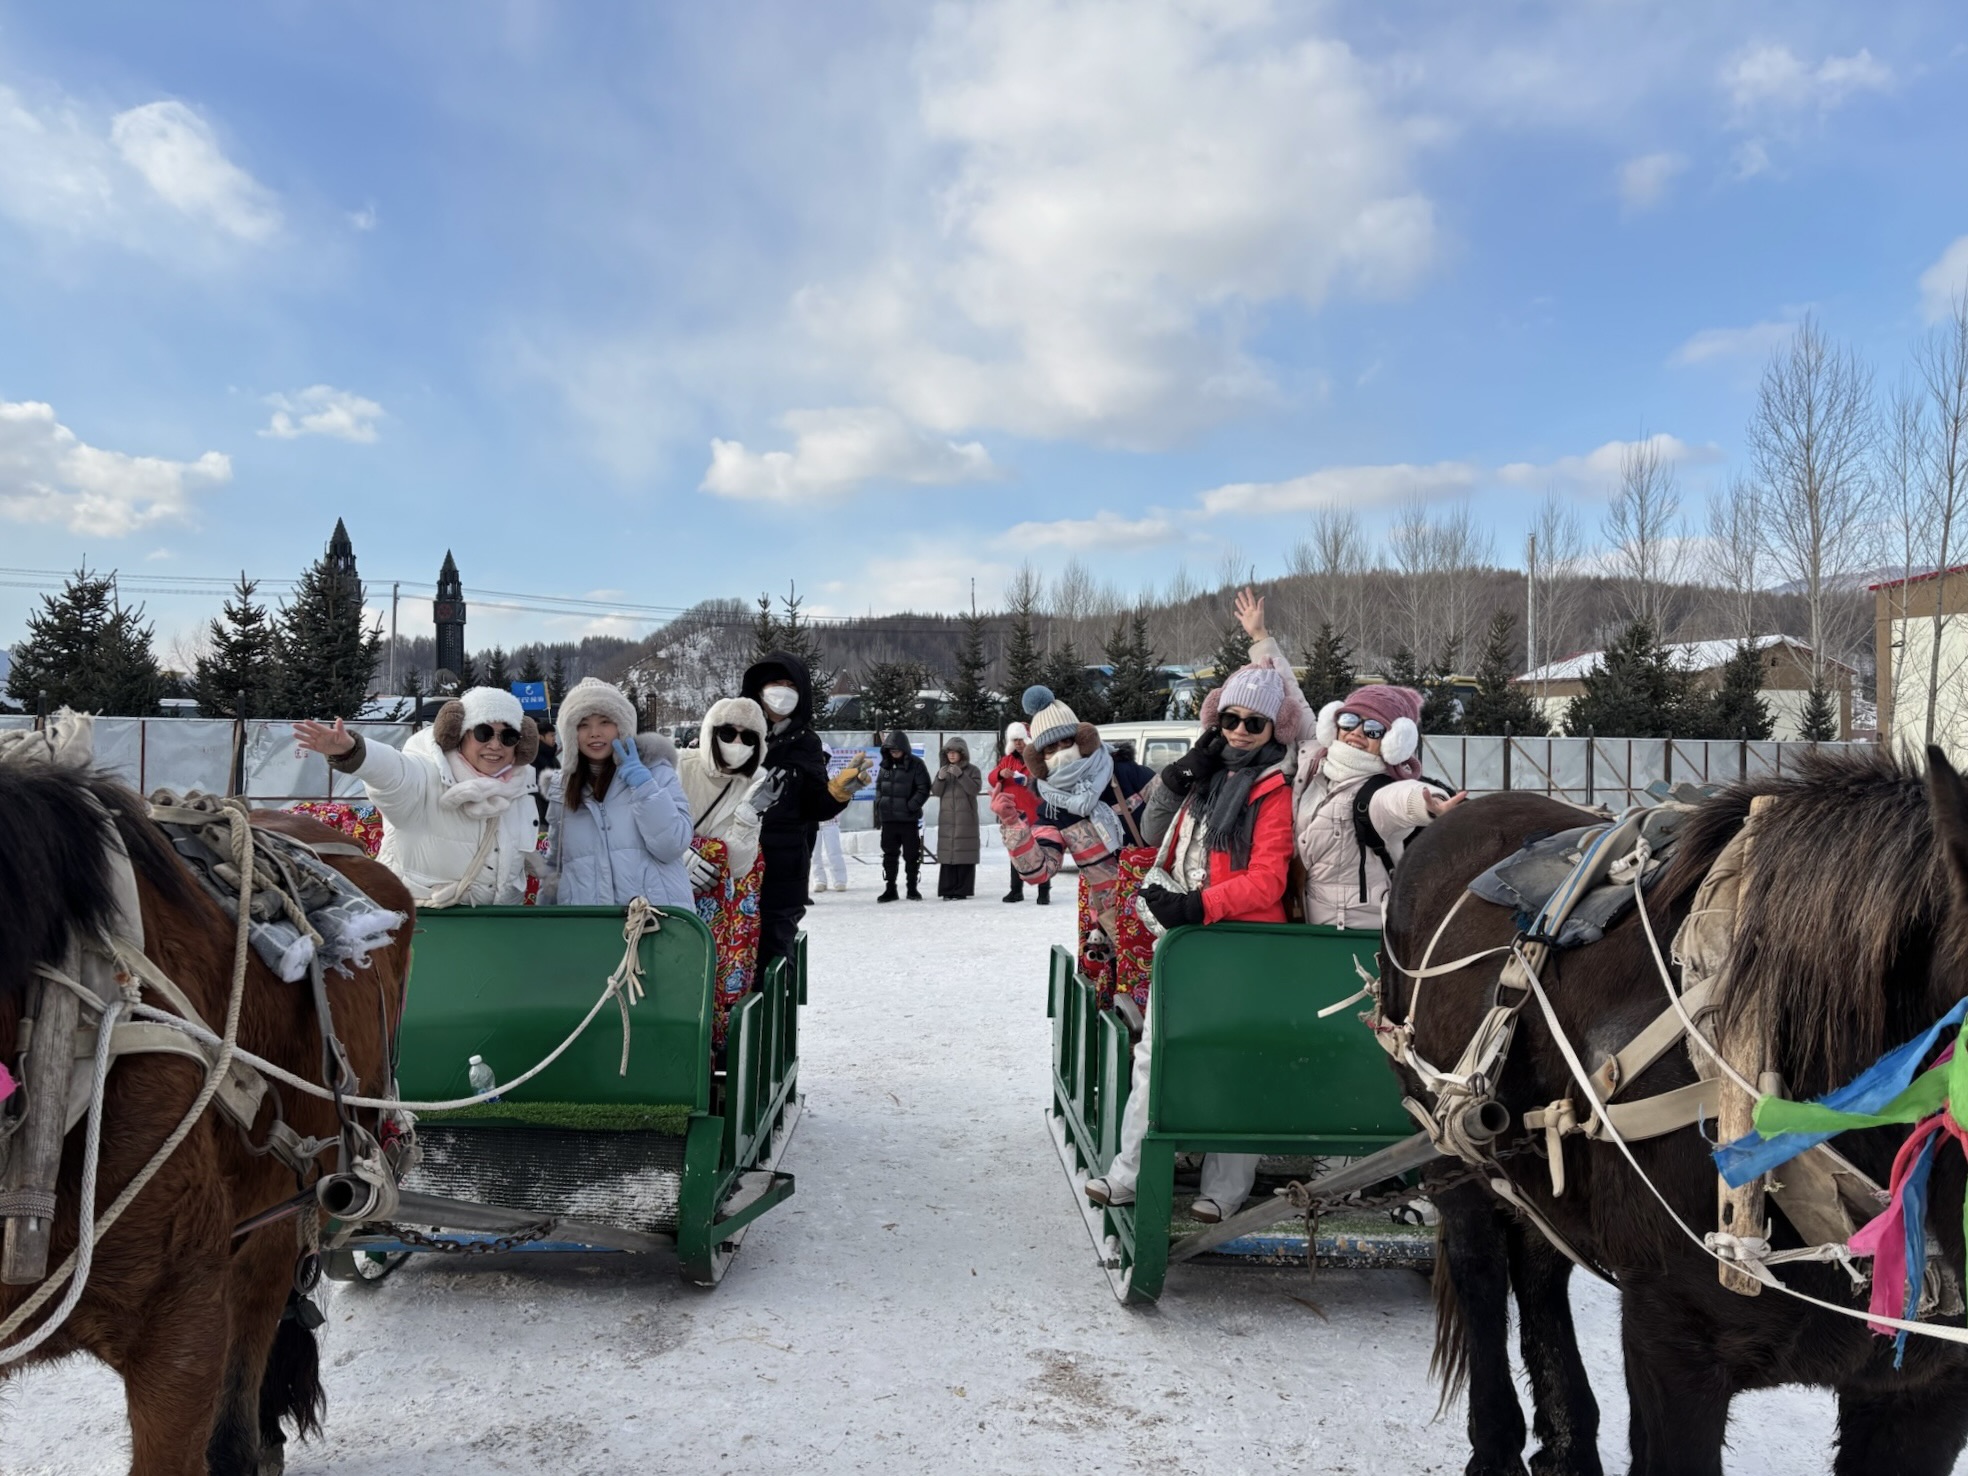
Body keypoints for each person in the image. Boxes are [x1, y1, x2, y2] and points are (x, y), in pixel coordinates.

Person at [1084, 659, 1300, 1223]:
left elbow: (1269, 879)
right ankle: (1128, 1174)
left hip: (1240, 946)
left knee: (1236, 1062)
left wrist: (1199, 905)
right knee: (1156, 1057)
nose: (1239, 732)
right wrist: (1183, 772)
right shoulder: (1205, 778)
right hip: (1188, 944)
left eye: (1255, 723)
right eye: (1230, 718)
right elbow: (1153, 833)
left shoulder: (1274, 788)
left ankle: (1225, 1191)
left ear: (1275, 729)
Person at [1233, 587, 1464, 929]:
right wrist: (1260, 636)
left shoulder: (1376, 789)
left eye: (1374, 729)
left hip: (1357, 938)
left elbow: (1398, 800)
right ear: (1335, 722)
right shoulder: (1315, 755)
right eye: (1351, 720)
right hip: (1310, 926)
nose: (1357, 732)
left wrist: (1430, 805)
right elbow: (1290, 694)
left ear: (1393, 743)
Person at [296, 686, 541, 907]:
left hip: (497, 927)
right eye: (483, 733)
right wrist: (355, 752)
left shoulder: (520, 791)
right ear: (458, 734)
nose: (495, 745)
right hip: (420, 923)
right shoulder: (425, 775)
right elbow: (394, 773)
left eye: (508, 737)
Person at [740, 651, 870, 971]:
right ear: (759, 688)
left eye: (790, 684)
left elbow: (815, 806)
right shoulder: (733, 733)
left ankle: (773, 1018)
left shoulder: (806, 742)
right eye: (775, 683)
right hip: (735, 859)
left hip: (784, 865)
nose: (782, 691)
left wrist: (840, 791)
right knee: (733, 948)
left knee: (775, 953)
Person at [542, 678, 695, 908]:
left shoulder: (655, 772)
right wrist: (543, 922)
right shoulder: (561, 789)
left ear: (622, 727)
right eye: (583, 724)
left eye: (605, 722)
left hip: (654, 924)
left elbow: (672, 845)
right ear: (570, 732)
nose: (594, 733)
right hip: (590, 930)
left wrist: (644, 787)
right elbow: (556, 865)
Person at [992, 685, 1125, 948]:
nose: (1062, 752)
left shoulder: (1126, 773)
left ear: (1083, 740)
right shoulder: (1052, 808)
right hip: (1110, 919)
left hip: (1160, 903)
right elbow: (1038, 870)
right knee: (1109, 985)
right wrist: (1011, 823)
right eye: (1051, 747)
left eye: (1068, 741)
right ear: (1040, 757)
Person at [675, 694, 775, 889]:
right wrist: (680, 857)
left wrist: (746, 820)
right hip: (670, 891)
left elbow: (738, 867)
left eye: (748, 737)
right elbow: (647, 828)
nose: (737, 743)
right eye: (728, 733)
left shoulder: (755, 784)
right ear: (710, 733)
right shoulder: (678, 766)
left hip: (717, 899)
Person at [987, 723, 1048, 905]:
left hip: (1036, 813)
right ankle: (1016, 890)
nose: (1019, 744)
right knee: (1016, 853)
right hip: (1015, 815)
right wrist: (1000, 773)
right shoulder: (1008, 759)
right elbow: (991, 778)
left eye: (1021, 740)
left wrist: (1029, 780)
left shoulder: (1038, 758)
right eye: (1015, 740)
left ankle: (1043, 892)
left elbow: (1047, 778)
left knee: (1041, 853)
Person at [874, 729, 931, 902]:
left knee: (911, 855)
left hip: (908, 820)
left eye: (897, 750)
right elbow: (879, 787)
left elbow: (924, 788)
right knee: (889, 854)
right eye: (891, 750)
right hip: (889, 819)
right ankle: (890, 888)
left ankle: (912, 888)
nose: (894, 753)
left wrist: (910, 806)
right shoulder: (885, 766)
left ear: (904, 749)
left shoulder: (916, 764)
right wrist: (879, 804)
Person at [931, 737, 984, 899]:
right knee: (949, 854)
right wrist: (940, 778)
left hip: (966, 819)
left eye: (954, 752)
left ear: (962, 754)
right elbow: (936, 792)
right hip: (947, 819)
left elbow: (974, 789)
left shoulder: (973, 770)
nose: (951, 755)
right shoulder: (944, 770)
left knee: (964, 853)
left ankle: (962, 890)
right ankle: (947, 890)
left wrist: (961, 776)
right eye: (948, 752)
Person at [1106, 739, 1156, 847]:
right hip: (1149, 843)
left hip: (1118, 848)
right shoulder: (1139, 771)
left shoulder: (1098, 780)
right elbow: (1163, 802)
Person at [810, 815, 848, 893]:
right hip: (813, 820)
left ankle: (840, 880)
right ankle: (819, 880)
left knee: (834, 851)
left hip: (831, 820)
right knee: (815, 853)